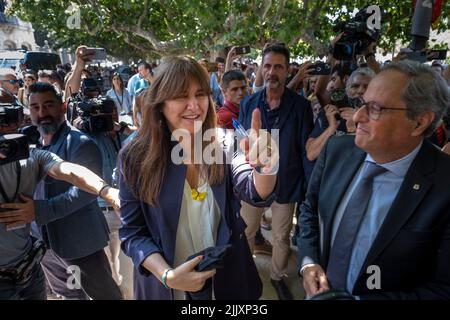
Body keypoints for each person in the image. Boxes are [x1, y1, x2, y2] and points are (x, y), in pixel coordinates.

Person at [118, 56, 278, 300]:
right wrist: (168, 276)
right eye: (181, 95)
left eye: (200, 94)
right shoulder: (135, 157)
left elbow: (255, 190)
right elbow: (132, 233)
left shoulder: (224, 143)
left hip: (228, 282)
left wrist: (265, 166)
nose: (194, 106)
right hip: (168, 288)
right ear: (160, 103)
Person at [297, 60, 450, 299]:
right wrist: (308, 262)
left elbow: (443, 289)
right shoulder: (336, 151)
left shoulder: (444, 185)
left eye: (375, 108)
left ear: (419, 122)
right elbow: (310, 211)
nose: (357, 116)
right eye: (362, 104)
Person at [0, 108, 120, 300]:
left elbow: (70, 171)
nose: (7, 127)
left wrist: (106, 191)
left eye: (11, 119)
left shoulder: (33, 156)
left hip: (29, 271)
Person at [27, 82, 122, 300]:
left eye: (48, 105)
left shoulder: (80, 142)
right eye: (35, 107)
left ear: (62, 107)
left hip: (80, 243)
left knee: (105, 296)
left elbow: (86, 192)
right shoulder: (33, 144)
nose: (42, 113)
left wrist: (40, 210)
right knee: (67, 295)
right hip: (46, 245)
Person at [238, 44, 314, 300]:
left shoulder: (301, 107)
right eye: (267, 66)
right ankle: (247, 273)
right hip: (253, 183)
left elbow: (305, 149)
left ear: (287, 70)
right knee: (246, 232)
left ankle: (277, 277)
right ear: (261, 68)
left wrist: (305, 189)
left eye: (278, 67)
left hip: (288, 183)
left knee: (281, 237)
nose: (272, 72)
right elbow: (243, 144)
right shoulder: (248, 103)